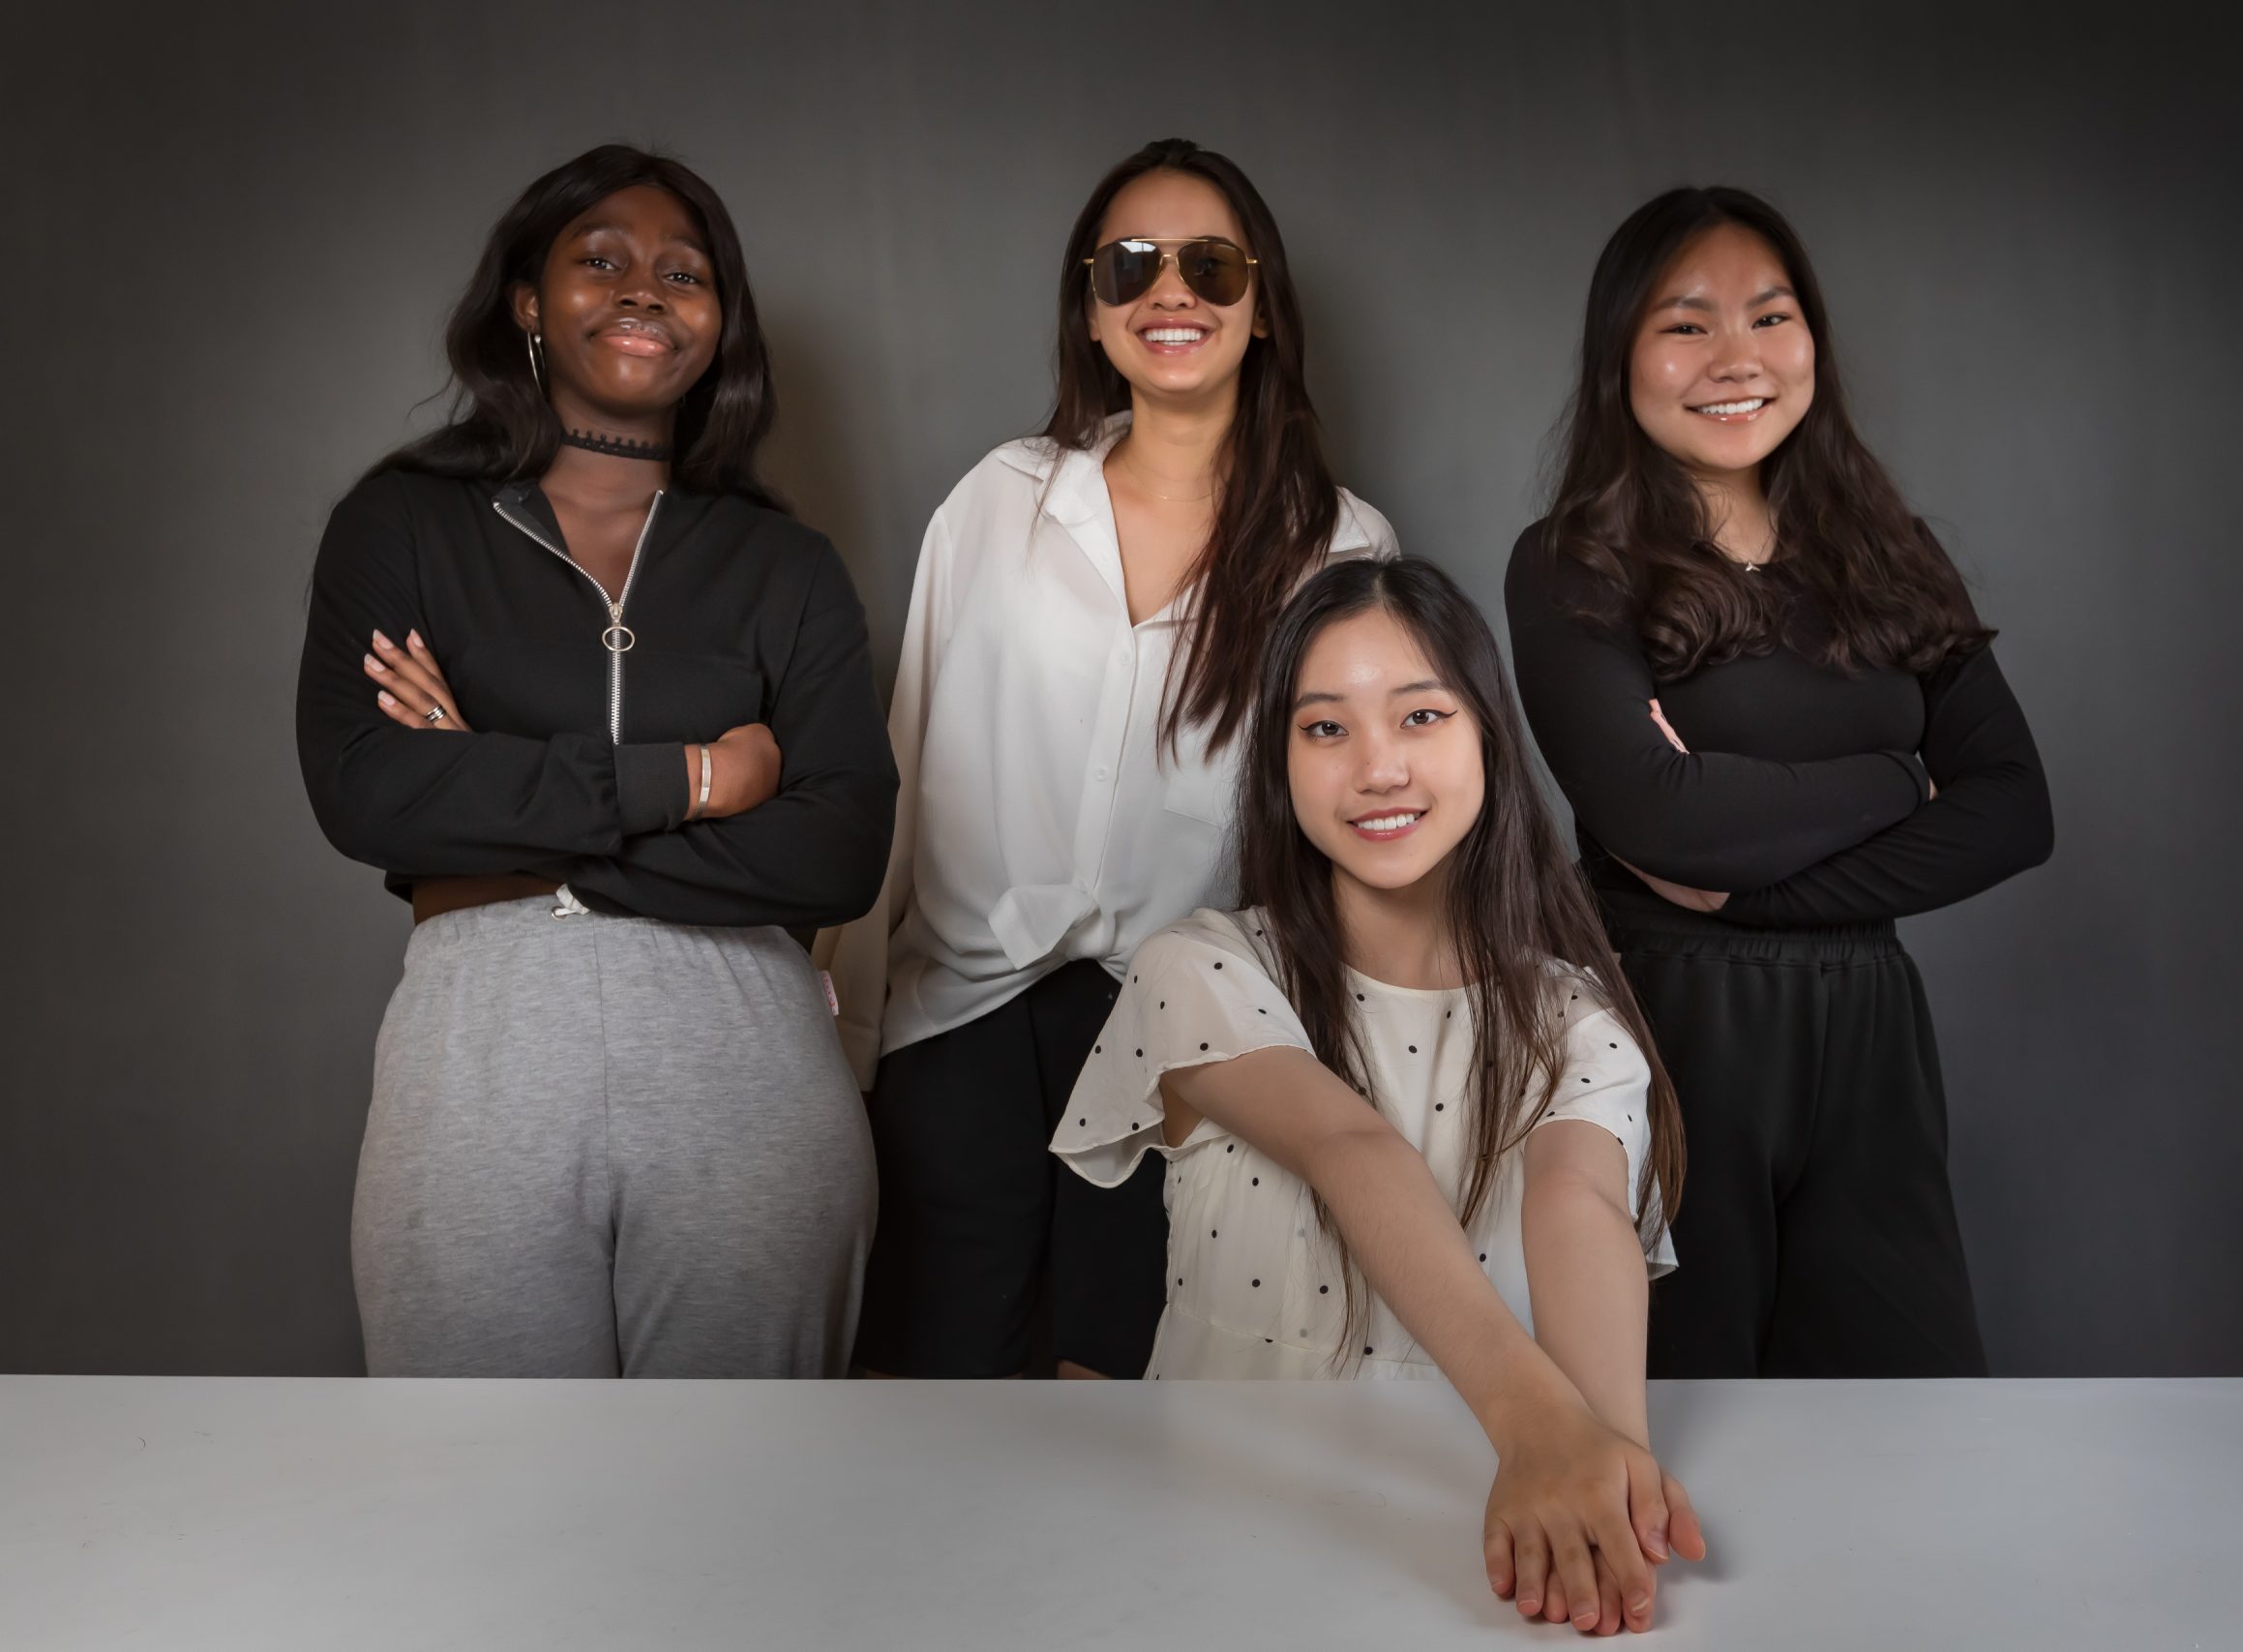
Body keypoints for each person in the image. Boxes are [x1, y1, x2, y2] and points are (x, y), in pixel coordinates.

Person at [296, 144, 896, 1377]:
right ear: (528, 300)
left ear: (718, 325)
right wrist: (695, 783)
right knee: (484, 1473)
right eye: (602, 261)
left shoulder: (786, 568)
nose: (644, 291)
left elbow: (838, 852)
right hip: (480, 1048)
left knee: (738, 1475)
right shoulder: (403, 523)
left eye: (684, 274)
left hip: (744, 1048)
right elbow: (368, 792)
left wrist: (497, 793)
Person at [823, 138, 1396, 1380]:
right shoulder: (1002, 499)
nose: (1170, 291)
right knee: (941, 1386)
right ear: (1089, 310)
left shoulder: (1340, 546)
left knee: (1133, 1393)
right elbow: (902, 768)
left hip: (1192, 1038)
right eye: (1130, 264)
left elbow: (1352, 825)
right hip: (959, 1015)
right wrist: (852, 1034)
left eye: (1210, 265)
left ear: (1263, 306)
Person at [1053, 556, 1703, 1634]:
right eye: (1325, 728)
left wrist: (1606, 1477)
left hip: (1466, 1562)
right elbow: (1352, 1148)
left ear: (1488, 736)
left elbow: (1578, 1203)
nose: (1378, 768)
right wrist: (1539, 1427)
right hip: (1206, 1551)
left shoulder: (1570, 1015)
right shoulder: (1201, 967)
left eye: (1421, 716)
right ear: (1279, 763)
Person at [1503, 186, 2053, 1378]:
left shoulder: (1893, 555)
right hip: (1671, 1029)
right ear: (1620, 356)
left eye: (1769, 316)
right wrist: (1898, 780)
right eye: (1685, 324)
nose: (1736, 358)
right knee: (1685, 1412)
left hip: (1872, 1036)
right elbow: (1658, 819)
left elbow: (2014, 809)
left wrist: (1750, 888)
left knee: (1911, 1412)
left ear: (1811, 339)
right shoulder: (1572, 565)